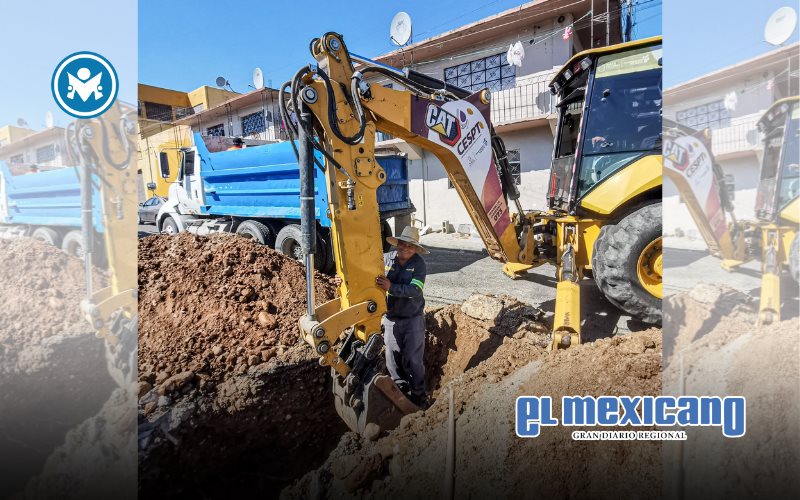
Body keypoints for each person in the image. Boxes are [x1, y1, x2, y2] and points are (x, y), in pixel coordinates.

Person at [376, 226, 430, 408]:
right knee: (392, 356)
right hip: (391, 318)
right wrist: (342, 280)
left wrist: (391, 287)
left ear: (415, 249)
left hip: (413, 319)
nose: (405, 248)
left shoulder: (419, 264)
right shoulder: (385, 259)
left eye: (410, 246)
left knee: (413, 359)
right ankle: (399, 388)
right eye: (402, 244)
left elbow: (415, 290)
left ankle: (419, 395)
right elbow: (366, 275)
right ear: (397, 243)